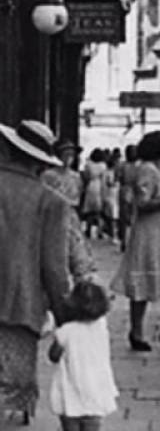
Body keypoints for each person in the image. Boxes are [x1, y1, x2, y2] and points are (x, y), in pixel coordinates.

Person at [0, 120, 71, 424]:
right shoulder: (50, 202)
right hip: (19, 306)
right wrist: (65, 318)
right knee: (13, 395)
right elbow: (54, 268)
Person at [111, 131, 160, 353]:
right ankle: (136, 332)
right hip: (149, 232)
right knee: (143, 281)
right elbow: (142, 203)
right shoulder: (146, 169)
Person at [48, 279, 118, 431]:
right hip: (96, 386)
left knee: (70, 422)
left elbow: (53, 355)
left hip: (70, 387)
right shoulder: (101, 327)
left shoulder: (66, 331)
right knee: (93, 421)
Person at [41, 141, 97, 285]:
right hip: (53, 214)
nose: (68, 158)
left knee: (77, 249)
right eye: (65, 154)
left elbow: (78, 195)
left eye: (71, 155)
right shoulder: (49, 175)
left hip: (71, 214)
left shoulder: (75, 176)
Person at [80, 149, 108, 241]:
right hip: (98, 187)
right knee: (98, 212)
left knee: (89, 211)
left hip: (90, 187)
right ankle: (99, 232)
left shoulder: (88, 165)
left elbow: (85, 177)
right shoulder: (103, 166)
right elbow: (104, 180)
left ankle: (88, 230)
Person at [116, 146, 140, 252]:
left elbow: (118, 178)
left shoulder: (122, 166)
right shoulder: (138, 166)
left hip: (125, 190)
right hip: (134, 191)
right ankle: (131, 242)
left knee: (124, 218)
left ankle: (124, 241)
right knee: (134, 217)